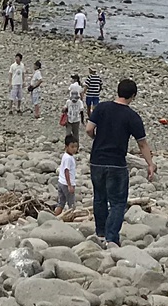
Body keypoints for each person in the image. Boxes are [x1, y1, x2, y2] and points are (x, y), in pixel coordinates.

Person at [88, 76, 154, 243]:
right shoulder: (132, 116)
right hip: (116, 162)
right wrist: (150, 163)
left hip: (97, 159)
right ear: (133, 96)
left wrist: (97, 137)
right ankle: (111, 237)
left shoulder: (101, 108)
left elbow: (89, 129)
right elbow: (142, 144)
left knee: (99, 197)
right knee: (117, 202)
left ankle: (100, 232)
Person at [56, 133, 78, 217]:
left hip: (61, 182)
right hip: (66, 184)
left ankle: (55, 216)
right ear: (66, 147)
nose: (74, 149)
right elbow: (66, 171)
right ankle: (71, 217)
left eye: (76, 146)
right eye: (72, 147)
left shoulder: (66, 156)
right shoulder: (68, 158)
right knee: (71, 203)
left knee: (61, 203)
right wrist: (69, 185)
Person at [62, 75, 86, 141]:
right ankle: (75, 147)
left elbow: (68, 91)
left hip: (70, 119)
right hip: (75, 119)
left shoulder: (69, 101)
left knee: (68, 134)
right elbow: (81, 112)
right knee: (76, 134)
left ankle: (68, 146)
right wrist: (82, 120)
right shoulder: (79, 87)